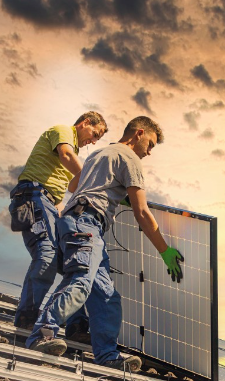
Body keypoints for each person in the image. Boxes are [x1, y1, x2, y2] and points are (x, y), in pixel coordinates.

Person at [24, 116, 184, 372]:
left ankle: (107, 354)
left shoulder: (99, 153)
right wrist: (165, 251)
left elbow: (74, 185)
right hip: (86, 225)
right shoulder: (130, 158)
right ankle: (41, 335)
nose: (150, 152)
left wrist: (104, 189)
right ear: (139, 133)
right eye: (150, 144)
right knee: (80, 283)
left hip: (79, 223)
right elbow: (141, 212)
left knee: (107, 296)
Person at [9, 111, 108, 330]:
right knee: (46, 256)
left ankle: (76, 324)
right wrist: (93, 177)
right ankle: (26, 320)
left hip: (49, 203)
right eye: (94, 134)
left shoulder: (75, 153)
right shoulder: (63, 131)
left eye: (97, 140)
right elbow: (65, 155)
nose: (92, 141)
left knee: (72, 263)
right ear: (84, 123)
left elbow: (71, 188)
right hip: (34, 195)